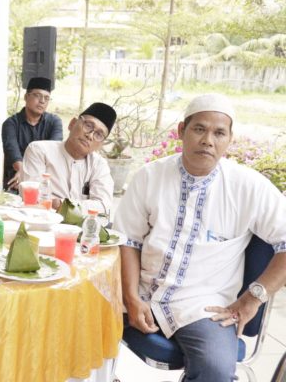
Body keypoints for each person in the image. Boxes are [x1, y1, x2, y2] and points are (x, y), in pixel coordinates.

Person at [114, 94, 286, 382]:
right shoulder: (149, 176)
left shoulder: (250, 187)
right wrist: (131, 297)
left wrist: (252, 298)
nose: (208, 140)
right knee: (75, 315)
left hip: (203, 305)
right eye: (199, 129)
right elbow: (128, 240)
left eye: (219, 133)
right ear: (182, 131)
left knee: (216, 371)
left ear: (229, 139)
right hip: (141, 290)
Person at [21, 102, 116, 212]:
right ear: (72, 124)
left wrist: (61, 204)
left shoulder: (99, 165)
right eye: (88, 126)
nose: (90, 136)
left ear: (101, 144)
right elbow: (33, 198)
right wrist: (83, 207)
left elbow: (103, 206)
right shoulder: (39, 150)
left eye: (98, 134)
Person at [1, 77, 63, 190]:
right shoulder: (10, 124)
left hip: (45, 181)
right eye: (37, 95)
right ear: (26, 97)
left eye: (46, 98)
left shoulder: (55, 122)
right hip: (16, 180)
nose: (42, 101)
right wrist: (22, 173)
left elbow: (54, 152)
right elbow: (13, 152)